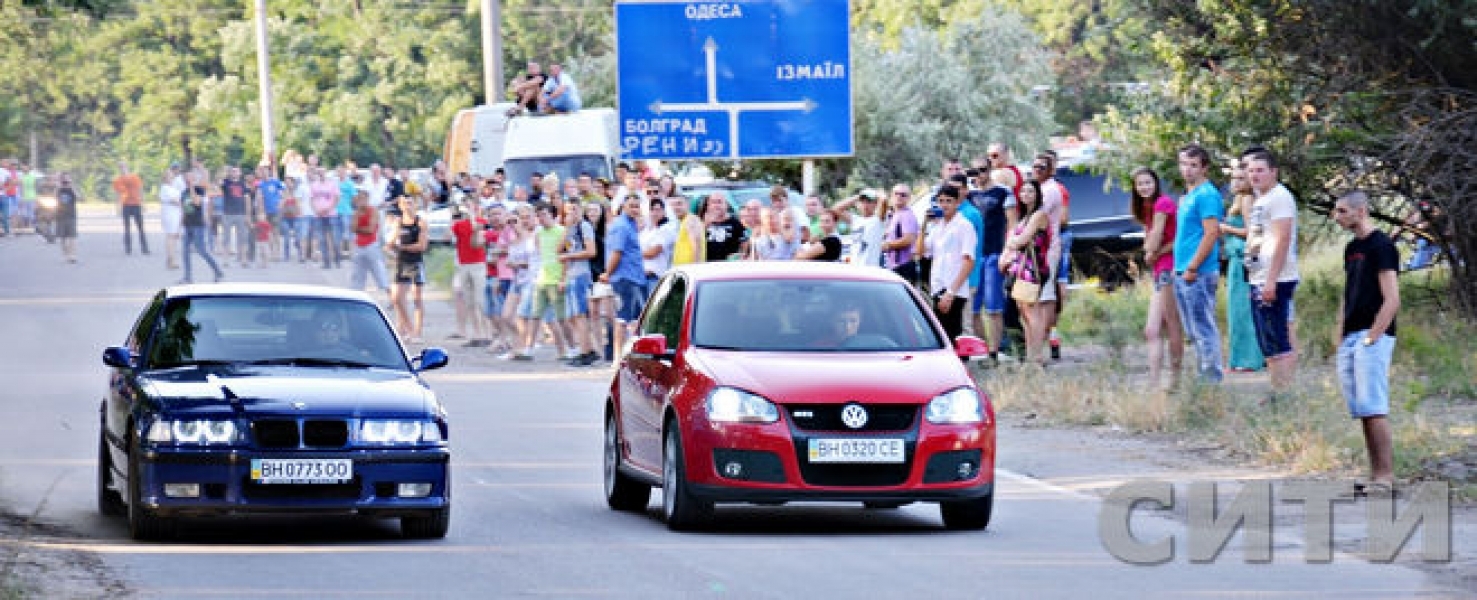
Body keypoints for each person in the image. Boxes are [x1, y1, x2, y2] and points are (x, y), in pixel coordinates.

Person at [1331, 191, 1401, 494]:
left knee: (1374, 405)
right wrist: (1340, 329)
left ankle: (1385, 476)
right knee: (1361, 408)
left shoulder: (1381, 246)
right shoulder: (1352, 248)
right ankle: (1374, 474)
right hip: (1352, 332)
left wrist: (1374, 336)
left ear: (1361, 211)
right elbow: (1349, 291)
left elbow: (1392, 298)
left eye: (1343, 210)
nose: (1338, 216)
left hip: (1372, 334)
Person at [1244, 149, 1301, 396]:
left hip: (1275, 278)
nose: (1254, 175)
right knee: (1267, 340)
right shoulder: (1261, 199)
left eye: (1260, 170)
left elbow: (1283, 238)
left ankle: (1284, 393)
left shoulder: (1279, 197)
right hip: (1258, 277)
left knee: (1277, 338)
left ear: (1273, 172)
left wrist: (1270, 281)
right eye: (1251, 171)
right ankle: (1277, 390)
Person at [1172, 143, 1225, 383]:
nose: (1188, 170)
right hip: (1183, 269)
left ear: (1204, 168)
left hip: (1199, 271)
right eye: (1184, 164)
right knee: (1193, 330)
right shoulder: (1188, 196)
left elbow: (1212, 232)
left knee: (1203, 327)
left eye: (1194, 165)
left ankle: (1211, 378)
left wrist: (1193, 266)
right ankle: (1203, 375)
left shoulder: (1207, 195)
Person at [1130, 167, 1186, 387]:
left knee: (1172, 324)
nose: (1145, 187)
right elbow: (1150, 243)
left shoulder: (1163, 204)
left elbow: (1158, 241)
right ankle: (1154, 382)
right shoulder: (1147, 207)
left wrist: (1153, 251)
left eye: (1148, 182)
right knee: (1151, 329)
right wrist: (1151, 250)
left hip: (1169, 268)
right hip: (1159, 268)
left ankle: (1175, 379)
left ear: (1156, 183)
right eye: (1140, 184)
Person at [1000, 180, 1055, 364]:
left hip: (1033, 268)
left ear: (1037, 194)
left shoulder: (1039, 215)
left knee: (1033, 313)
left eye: (1031, 191)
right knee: (1024, 313)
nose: (1026, 194)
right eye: (1023, 191)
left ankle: (1037, 356)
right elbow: (1013, 241)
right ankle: (1032, 355)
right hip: (1020, 269)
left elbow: (1021, 240)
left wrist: (1012, 242)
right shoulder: (1023, 217)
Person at [1219, 159, 1265, 373]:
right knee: (1239, 309)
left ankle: (1247, 359)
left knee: (1241, 311)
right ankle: (1244, 357)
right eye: (1233, 178)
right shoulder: (1239, 199)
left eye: (1240, 178)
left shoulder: (1247, 200)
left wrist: (1225, 228)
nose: (1236, 183)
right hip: (1237, 258)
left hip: (1242, 258)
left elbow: (1250, 231)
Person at [924, 184, 977, 343]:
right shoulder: (937, 227)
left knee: (953, 335)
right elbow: (921, 251)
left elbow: (968, 261)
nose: (944, 205)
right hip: (937, 286)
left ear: (957, 203)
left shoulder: (964, 226)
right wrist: (923, 225)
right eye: (941, 201)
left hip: (954, 289)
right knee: (941, 335)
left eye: (948, 201)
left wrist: (951, 292)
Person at [601, 196, 647, 362]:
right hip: (625, 278)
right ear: (622, 207)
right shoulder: (621, 226)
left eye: (637, 206)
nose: (635, 209)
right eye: (631, 206)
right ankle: (618, 358)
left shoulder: (631, 224)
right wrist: (608, 273)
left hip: (634, 277)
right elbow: (617, 252)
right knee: (623, 319)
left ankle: (627, 357)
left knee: (634, 319)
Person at [560, 199, 600, 366]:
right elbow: (559, 249)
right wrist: (566, 228)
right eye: (568, 210)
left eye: (575, 209)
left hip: (581, 274)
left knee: (580, 314)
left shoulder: (584, 226)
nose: (572, 213)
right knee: (573, 316)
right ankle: (586, 347)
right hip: (571, 274)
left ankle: (585, 352)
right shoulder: (569, 229)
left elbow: (591, 251)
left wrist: (569, 256)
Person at [387, 195, 429, 344]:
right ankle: (407, 328)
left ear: (415, 205)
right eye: (405, 203)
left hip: (415, 262)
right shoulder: (398, 222)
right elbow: (390, 242)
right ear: (400, 206)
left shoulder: (420, 222)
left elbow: (422, 246)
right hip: (401, 262)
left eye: (410, 203)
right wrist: (391, 245)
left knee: (417, 299)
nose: (407, 206)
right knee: (397, 298)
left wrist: (402, 247)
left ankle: (417, 332)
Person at [450, 196, 491, 347]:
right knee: (469, 301)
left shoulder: (482, 222)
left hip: (478, 264)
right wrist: (453, 217)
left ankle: (487, 333)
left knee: (480, 300)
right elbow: (448, 236)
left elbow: (477, 232)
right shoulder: (459, 224)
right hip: (463, 264)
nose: (467, 208)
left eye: (470, 205)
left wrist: (474, 215)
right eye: (465, 205)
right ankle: (477, 333)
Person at [178, 171, 223, 283]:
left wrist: (193, 186)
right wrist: (179, 227)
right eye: (186, 177)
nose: (187, 179)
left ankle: (218, 271)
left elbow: (196, 202)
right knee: (185, 252)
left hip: (198, 225)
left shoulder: (200, 190)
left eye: (190, 177)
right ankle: (188, 277)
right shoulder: (183, 192)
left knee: (201, 251)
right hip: (187, 225)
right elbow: (183, 209)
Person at [348, 190, 390, 301]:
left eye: (363, 199)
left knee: (379, 272)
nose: (360, 202)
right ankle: (355, 299)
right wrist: (358, 222)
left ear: (367, 199)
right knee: (357, 274)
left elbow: (370, 230)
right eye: (359, 199)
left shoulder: (373, 211)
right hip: (359, 245)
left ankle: (391, 297)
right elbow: (352, 228)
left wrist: (358, 228)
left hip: (371, 245)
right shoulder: (356, 213)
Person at [881, 184, 921, 283]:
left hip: (904, 266)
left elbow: (908, 239)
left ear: (908, 198)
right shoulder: (895, 214)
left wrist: (887, 245)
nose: (899, 196)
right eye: (896, 194)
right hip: (894, 266)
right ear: (892, 195)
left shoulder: (907, 215)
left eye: (903, 195)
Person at [112, 161, 149, 255]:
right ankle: (128, 248)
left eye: (123, 166)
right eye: (120, 167)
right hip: (126, 205)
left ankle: (145, 248)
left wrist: (143, 204)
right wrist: (117, 207)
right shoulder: (117, 181)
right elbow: (117, 195)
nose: (122, 168)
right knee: (127, 228)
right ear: (119, 169)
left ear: (127, 167)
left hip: (136, 204)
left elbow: (140, 191)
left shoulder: (135, 177)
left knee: (140, 227)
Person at [309, 169, 341, 269]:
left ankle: (337, 258)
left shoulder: (332, 184)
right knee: (322, 240)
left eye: (323, 173)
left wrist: (329, 209)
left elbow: (337, 198)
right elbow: (311, 199)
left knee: (334, 239)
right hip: (318, 215)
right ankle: (326, 262)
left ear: (325, 174)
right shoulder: (314, 185)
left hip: (331, 214)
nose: (321, 174)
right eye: (319, 173)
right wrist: (316, 210)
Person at [702, 192, 746, 261]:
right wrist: (705, 225)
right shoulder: (701, 223)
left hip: (728, 266)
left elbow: (744, 244)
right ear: (708, 206)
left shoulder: (735, 223)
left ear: (726, 205)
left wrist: (740, 255)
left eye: (719, 202)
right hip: (707, 265)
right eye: (713, 202)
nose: (716, 205)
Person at [159, 164, 186, 270]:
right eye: (169, 175)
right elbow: (175, 201)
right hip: (170, 214)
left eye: (172, 175)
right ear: (165, 177)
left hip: (176, 214)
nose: (172, 177)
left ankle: (172, 259)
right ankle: (170, 259)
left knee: (174, 236)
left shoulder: (172, 187)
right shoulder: (165, 188)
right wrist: (185, 205)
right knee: (171, 236)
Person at [54, 173, 80, 263]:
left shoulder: (72, 189)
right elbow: (54, 196)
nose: (66, 181)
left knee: (72, 237)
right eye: (64, 180)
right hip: (60, 216)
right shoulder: (59, 189)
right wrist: (59, 186)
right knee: (62, 238)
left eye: (68, 179)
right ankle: (66, 254)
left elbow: (79, 197)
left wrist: (71, 186)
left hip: (71, 215)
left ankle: (72, 255)